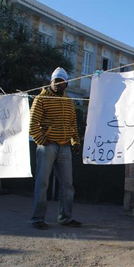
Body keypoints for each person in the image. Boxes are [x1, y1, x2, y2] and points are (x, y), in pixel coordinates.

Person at [30, 67, 82, 230]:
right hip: (47, 146)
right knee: (42, 183)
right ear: (51, 82)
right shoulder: (41, 99)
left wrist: (75, 142)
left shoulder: (68, 101)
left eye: (62, 82)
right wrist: (42, 140)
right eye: (56, 81)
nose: (59, 84)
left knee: (68, 184)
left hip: (65, 147)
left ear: (66, 84)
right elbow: (32, 124)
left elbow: (73, 124)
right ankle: (37, 218)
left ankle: (65, 217)